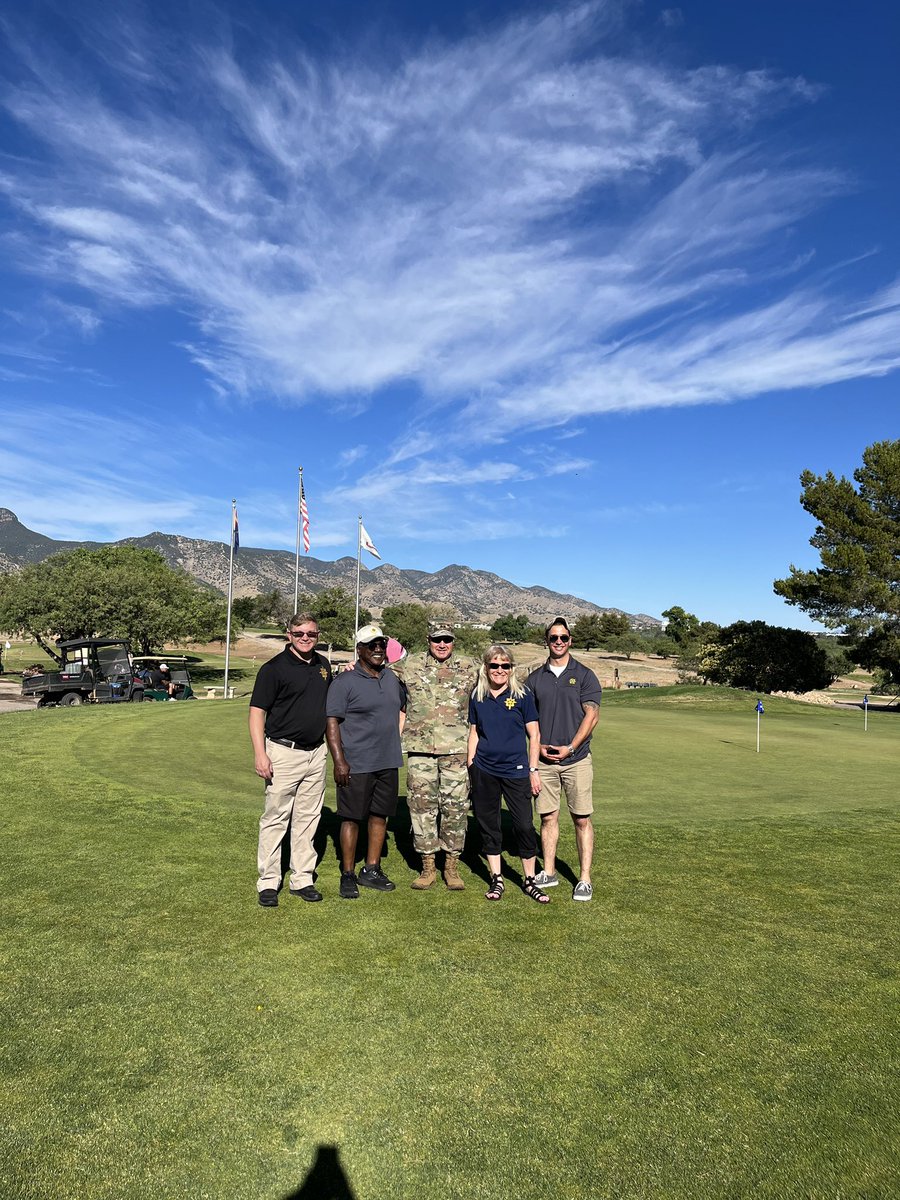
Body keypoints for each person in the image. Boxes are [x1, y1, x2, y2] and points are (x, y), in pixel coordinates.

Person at [248, 613, 332, 907]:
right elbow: (257, 712)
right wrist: (261, 754)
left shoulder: (323, 665)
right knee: (275, 818)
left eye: (311, 633)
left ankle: (302, 878)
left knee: (308, 819)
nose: (305, 638)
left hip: (315, 752)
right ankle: (269, 882)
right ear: (289, 635)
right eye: (299, 633)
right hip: (283, 752)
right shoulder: (274, 669)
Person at [326, 624, 407, 900]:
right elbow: (332, 722)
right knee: (351, 818)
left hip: (387, 760)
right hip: (356, 763)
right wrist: (339, 761)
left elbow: (404, 707)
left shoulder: (392, 678)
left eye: (381, 644)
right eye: (370, 645)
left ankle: (371, 869)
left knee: (379, 816)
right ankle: (348, 873)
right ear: (359, 649)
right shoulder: (344, 682)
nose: (377, 649)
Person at [393, 623, 474, 890]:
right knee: (421, 808)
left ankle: (451, 866)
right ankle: (427, 866)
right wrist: (351, 668)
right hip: (420, 751)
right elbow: (376, 673)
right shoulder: (410, 665)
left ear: (454, 640)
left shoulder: (470, 666)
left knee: (455, 808)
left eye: (447, 640)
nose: (442, 644)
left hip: (456, 750)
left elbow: (501, 678)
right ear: (428, 639)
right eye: (437, 639)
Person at [527, 617, 602, 902]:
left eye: (563, 637)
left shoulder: (584, 675)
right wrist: (539, 747)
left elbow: (592, 715)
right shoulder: (535, 678)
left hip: (577, 760)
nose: (558, 642)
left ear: (570, 640)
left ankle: (584, 878)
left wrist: (570, 747)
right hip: (545, 761)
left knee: (581, 819)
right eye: (553, 638)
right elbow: (528, 719)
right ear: (546, 641)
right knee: (548, 817)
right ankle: (548, 871)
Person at [467, 644, 548, 904]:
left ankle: (529, 880)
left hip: (516, 770)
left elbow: (534, 735)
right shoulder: (477, 695)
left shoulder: (521, 694)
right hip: (485, 770)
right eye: (494, 665)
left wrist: (533, 770)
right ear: (486, 667)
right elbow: (474, 732)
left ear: (511, 668)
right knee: (489, 826)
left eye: (505, 666)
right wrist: (471, 766)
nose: (499, 670)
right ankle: (497, 878)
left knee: (524, 825)